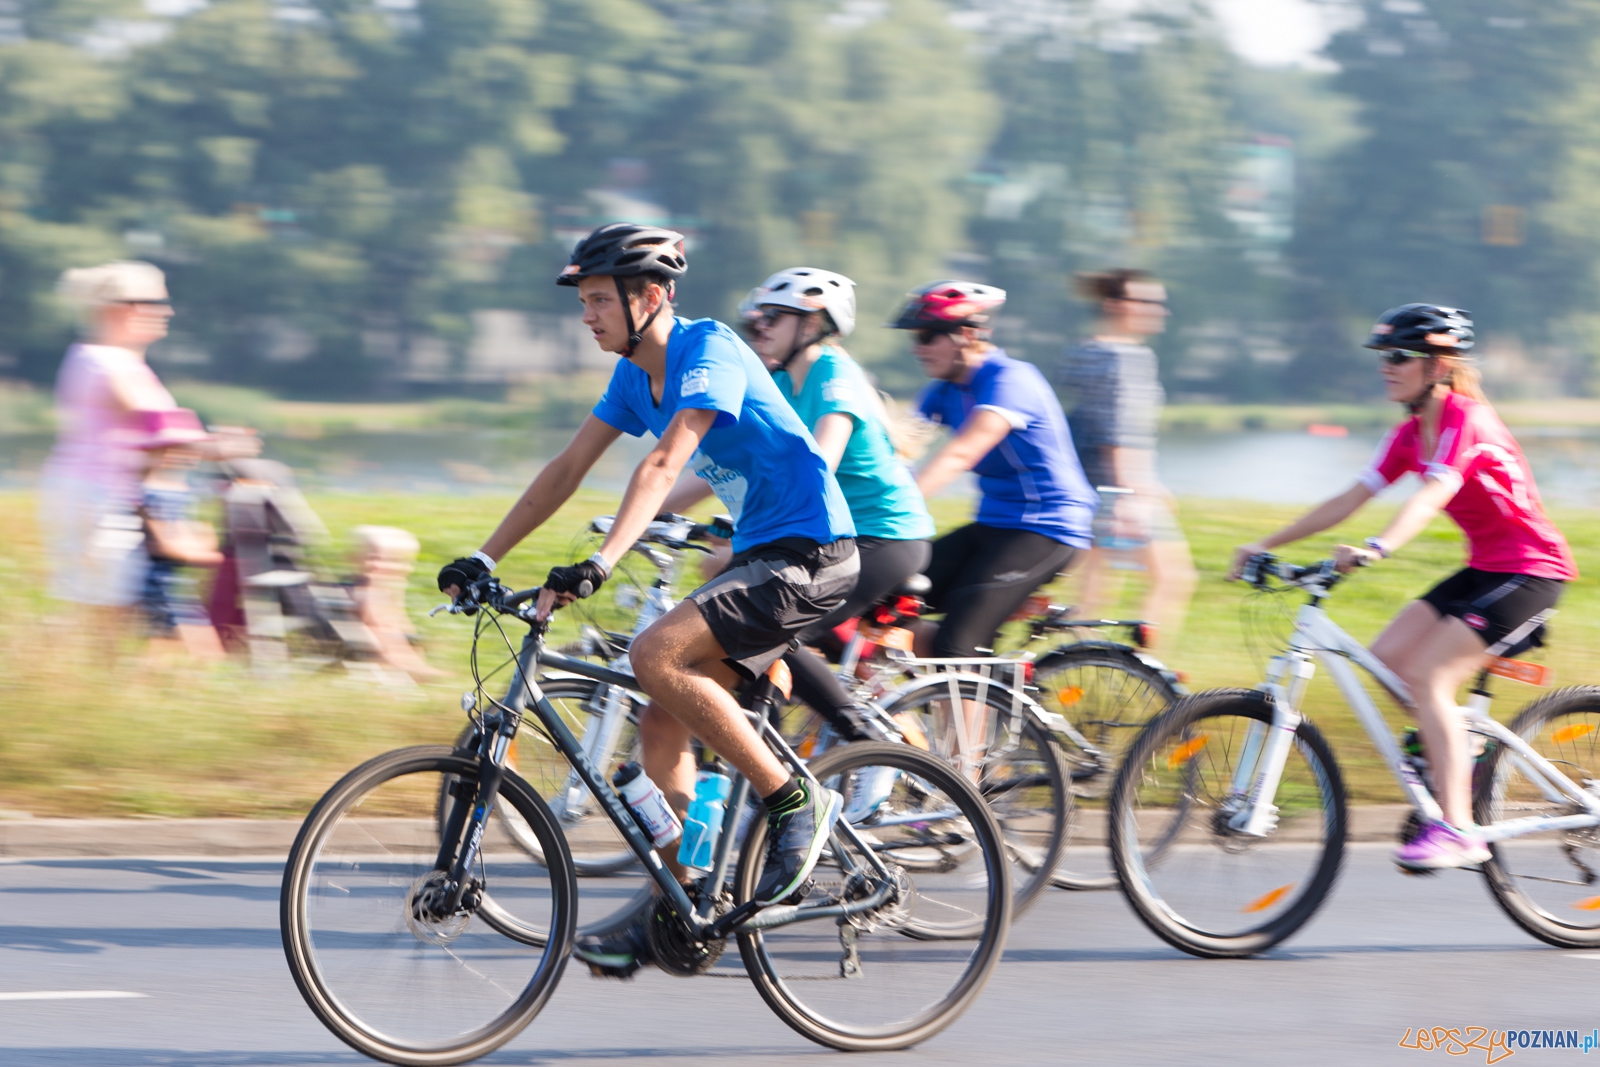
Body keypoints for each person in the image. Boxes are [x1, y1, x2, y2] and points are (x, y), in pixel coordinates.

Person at [436, 223, 859, 976]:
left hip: (812, 550)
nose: (587, 316)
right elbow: (568, 467)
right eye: (585, 302)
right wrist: (484, 556)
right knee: (661, 714)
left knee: (652, 653)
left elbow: (666, 463)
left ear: (653, 296)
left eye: (600, 300)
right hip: (761, 555)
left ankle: (796, 801)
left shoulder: (709, 349)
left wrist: (601, 562)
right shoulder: (635, 376)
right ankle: (680, 902)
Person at [1229, 304, 1577, 871]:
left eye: (1399, 357)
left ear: (1437, 366)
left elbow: (1431, 496)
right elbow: (1350, 497)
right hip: (1486, 567)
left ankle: (1459, 830)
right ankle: (1458, 748)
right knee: (1386, 658)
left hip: (1531, 571)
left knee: (1432, 677)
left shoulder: (1467, 419)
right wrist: (1264, 543)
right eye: (1383, 358)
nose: (1386, 367)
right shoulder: (1410, 434)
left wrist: (1377, 547)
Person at [675, 268, 934, 740]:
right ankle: (763, 757)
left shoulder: (834, 374)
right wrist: (646, 513)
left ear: (811, 325)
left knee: (771, 628)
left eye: (773, 318)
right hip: (828, 534)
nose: (761, 328)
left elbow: (818, 468)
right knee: (736, 632)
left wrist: (748, 526)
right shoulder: (776, 381)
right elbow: (727, 464)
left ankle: (866, 740)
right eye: (756, 320)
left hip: (883, 535)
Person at [897, 280, 1098, 660]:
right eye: (915, 338)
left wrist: (898, 503)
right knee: (888, 601)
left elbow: (961, 454)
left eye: (927, 336)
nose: (916, 348)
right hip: (993, 525)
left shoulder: (1010, 379)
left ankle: (969, 683)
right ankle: (951, 687)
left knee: (956, 646)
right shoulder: (945, 390)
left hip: (1047, 529)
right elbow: (895, 449)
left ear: (968, 334)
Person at [38, 262, 179, 631]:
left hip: (98, 493)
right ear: (121, 308)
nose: (167, 312)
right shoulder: (108, 362)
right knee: (108, 610)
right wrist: (212, 446)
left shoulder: (101, 357)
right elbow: (156, 424)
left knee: (110, 607)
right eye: (156, 303)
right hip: (97, 497)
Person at [1063, 269, 1196, 648]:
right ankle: (1142, 670)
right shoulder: (1125, 357)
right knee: (1173, 578)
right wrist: (1132, 494)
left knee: (1092, 593)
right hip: (1118, 490)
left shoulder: (1087, 351)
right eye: (1149, 303)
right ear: (1116, 305)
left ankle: (1071, 666)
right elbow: (1116, 432)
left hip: (1089, 485)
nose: (1161, 311)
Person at [132, 408, 227, 660]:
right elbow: (162, 544)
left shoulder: (186, 490)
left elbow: (204, 534)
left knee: (169, 651)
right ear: (152, 453)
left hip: (180, 582)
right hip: (158, 583)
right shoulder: (149, 493)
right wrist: (205, 556)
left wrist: (198, 546)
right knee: (202, 653)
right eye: (170, 449)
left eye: (188, 449)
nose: (183, 456)